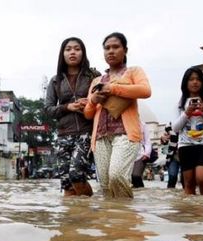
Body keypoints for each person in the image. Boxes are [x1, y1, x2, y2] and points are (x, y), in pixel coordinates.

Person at [84, 32, 151, 198]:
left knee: (117, 176)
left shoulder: (134, 71)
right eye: (107, 48)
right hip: (100, 137)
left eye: (116, 47)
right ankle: (112, 221)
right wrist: (93, 99)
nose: (111, 51)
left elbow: (145, 90)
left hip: (125, 135)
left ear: (125, 50)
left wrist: (112, 88)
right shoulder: (97, 81)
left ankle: (126, 219)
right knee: (106, 186)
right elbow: (87, 113)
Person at [44, 37, 99, 196]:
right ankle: (73, 219)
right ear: (63, 54)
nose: (72, 52)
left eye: (77, 48)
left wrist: (89, 103)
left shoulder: (93, 76)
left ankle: (93, 211)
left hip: (86, 131)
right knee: (67, 182)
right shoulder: (55, 81)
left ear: (83, 52)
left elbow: (103, 102)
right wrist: (67, 106)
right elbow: (48, 109)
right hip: (63, 134)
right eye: (68, 49)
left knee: (76, 174)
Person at [172, 67, 203, 195]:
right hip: (185, 145)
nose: (195, 82)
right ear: (185, 83)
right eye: (191, 79)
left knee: (202, 178)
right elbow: (175, 128)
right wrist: (186, 113)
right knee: (188, 182)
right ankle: (192, 212)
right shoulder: (179, 103)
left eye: (198, 79)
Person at [131, 122, 152, 188]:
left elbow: (148, 141)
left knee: (136, 175)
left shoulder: (143, 124)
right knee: (129, 179)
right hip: (127, 155)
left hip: (140, 155)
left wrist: (146, 153)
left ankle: (142, 193)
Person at [160, 123, 181, 188]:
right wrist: (163, 140)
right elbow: (164, 146)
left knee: (186, 179)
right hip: (172, 157)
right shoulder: (168, 131)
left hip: (186, 155)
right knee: (172, 177)